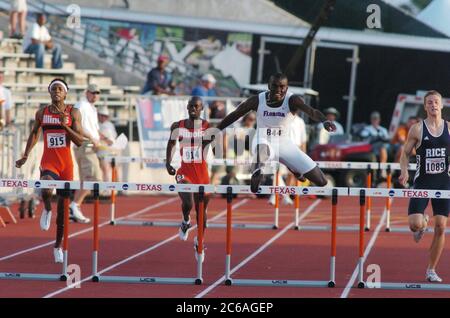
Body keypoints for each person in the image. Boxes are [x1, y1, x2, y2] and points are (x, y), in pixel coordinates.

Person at [211, 72, 336, 193]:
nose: (278, 90)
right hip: (263, 139)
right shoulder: (257, 100)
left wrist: (324, 121)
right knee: (259, 165)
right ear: (269, 86)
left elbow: (312, 112)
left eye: (282, 87)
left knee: (321, 181)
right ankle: (256, 171)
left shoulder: (292, 100)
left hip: (284, 144)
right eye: (275, 86)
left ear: (287, 88)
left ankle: (292, 167)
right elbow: (235, 115)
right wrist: (215, 131)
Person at [15, 79, 84, 263]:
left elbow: (79, 141)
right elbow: (34, 133)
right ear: (49, 92)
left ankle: (57, 246)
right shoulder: (42, 112)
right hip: (49, 162)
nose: (56, 92)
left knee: (62, 212)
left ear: (66, 93)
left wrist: (65, 126)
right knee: (46, 189)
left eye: (60, 89)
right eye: (53, 89)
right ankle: (46, 208)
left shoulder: (73, 112)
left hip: (66, 166)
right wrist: (26, 155)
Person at [399, 90, 450, 283]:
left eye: (436, 102)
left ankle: (431, 270)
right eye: (429, 102)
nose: (433, 105)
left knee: (441, 227)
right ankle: (422, 223)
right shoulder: (417, 129)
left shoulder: (449, 128)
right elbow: (405, 153)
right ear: (425, 106)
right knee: (414, 224)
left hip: (444, 183)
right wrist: (404, 171)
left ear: (442, 105)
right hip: (423, 182)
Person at [166, 96, 211, 261]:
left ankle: (199, 240)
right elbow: (171, 144)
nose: (193, 108)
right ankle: (185, 220)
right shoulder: (178, 126)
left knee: (202, 213)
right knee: (188, 202)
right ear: (187, 107)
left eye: (197, 106)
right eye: (191, 105)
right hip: (184, 172)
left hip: (202, 174)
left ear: (201, 109)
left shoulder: (208, 127)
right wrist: (167, 163)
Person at [70, 84, 106, 223]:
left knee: (86, 180)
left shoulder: (92, 108)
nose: (95, 95)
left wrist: (103, 138)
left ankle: (74, 207)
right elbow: (77, 126)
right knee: (94, 179)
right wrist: (92, 139)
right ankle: (74, 206)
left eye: (98, 93)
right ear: (87, 92)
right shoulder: (81, 106)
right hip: (85, 146)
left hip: (88, 146)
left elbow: (93, 130)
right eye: (93, 92)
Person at [97, 105, 117, 182]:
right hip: (97, 152)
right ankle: (104, 189)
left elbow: (112, 140)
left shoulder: (110, 125)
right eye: (101, 115)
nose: (103, 117)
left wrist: (105, 139)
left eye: (105, 116)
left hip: (108, 152)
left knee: (109, 170)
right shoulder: (95, 124)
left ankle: (109, 189)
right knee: (103, 170)